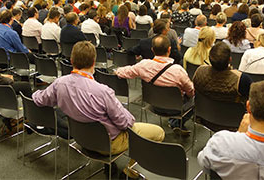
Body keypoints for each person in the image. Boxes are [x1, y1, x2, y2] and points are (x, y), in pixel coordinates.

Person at [32, 41, 165, 178]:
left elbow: (39, 99)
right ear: (94, 62)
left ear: (71, 61)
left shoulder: (59, 83)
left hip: (81, 139)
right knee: (158, 133)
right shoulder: (103, 92)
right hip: (108, 144)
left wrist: (32, 94)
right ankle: (130, 172)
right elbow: (125, 123)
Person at [117, 35, 194, 135]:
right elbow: (191, 91)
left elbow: (124, 72)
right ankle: (176, 122)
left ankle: (174, 121)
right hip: (176, 109)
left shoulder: (143, 65)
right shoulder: (178, 70)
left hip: (153, 104)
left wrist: (117, 71)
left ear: (152, 50)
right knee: (196, 98)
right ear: (169, 49)